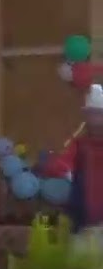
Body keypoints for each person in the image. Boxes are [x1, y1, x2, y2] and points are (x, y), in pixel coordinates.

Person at [47, 84, 103, 232]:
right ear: (86, 117)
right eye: (92, 114)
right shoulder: (79, 144)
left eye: (99, 114)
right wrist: (66, 172)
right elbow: (58, 165)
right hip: (82, 217)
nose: (96, 119)